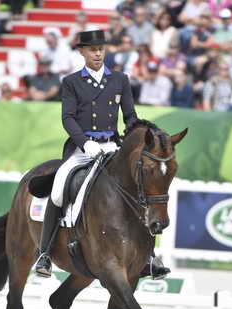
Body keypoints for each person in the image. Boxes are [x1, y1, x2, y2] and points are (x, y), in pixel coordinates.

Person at [35, 29, 170, 280]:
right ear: (82, 52)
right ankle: (44, 253)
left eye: (101, 50)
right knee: (58, 188)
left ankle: (149, 256)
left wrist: (140, 135)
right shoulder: (72, 82)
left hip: (111, 145)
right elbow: (68, 118)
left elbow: (129, 117)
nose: (97, 54)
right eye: (92, 50)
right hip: (82, 147)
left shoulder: (119, 80)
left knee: (138, 188)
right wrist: (85, 143)